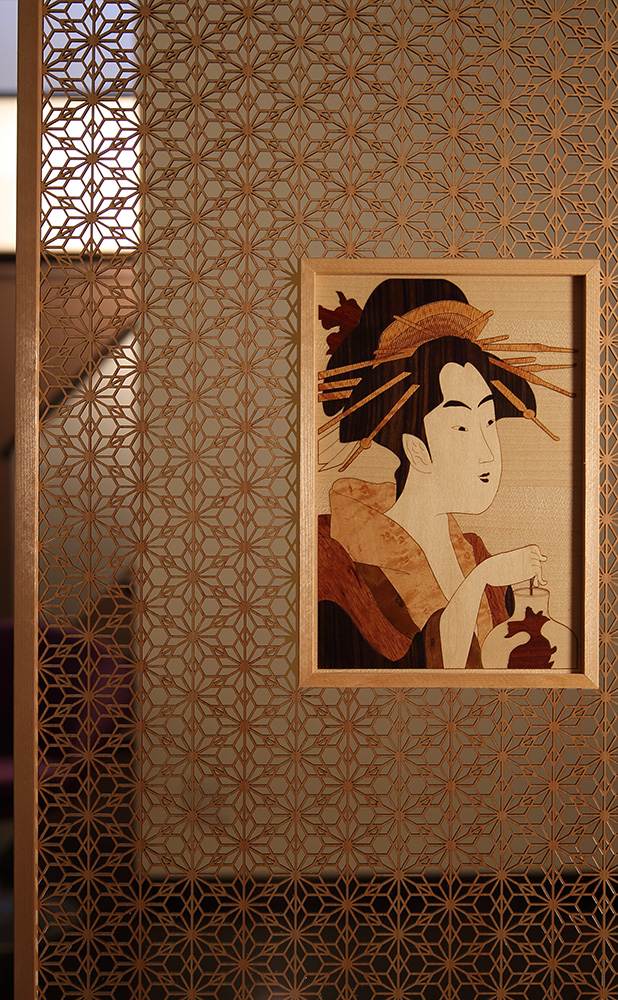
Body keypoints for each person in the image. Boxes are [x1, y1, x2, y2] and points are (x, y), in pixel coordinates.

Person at [317, 278, 570, 671]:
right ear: (416, 448)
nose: (488, 452)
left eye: (488, 421)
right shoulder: (334, 556)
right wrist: (480, 578)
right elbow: (400, 680)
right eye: (462, 427)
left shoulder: (476, 553)